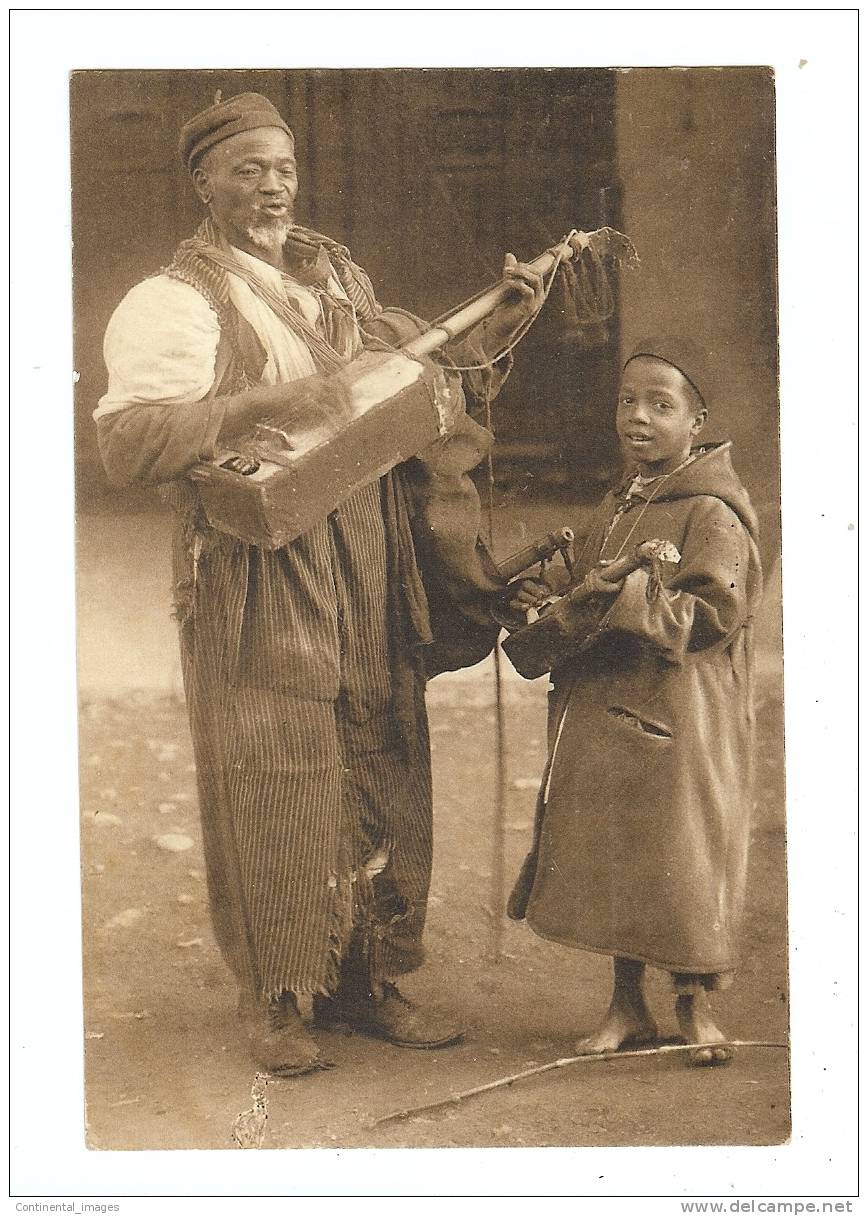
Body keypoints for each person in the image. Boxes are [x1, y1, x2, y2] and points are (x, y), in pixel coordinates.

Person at [94, 92, 544, 1074]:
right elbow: (128, 442)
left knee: (382, 750)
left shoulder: (334, 278)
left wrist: (497, 317)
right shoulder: (175, 301)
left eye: (282, 169)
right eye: (247, 169)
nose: (270, 188)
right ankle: (278, 997)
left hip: (369, 547)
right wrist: (270, 397)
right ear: (204, 182)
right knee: (275, 768)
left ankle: (369, 979)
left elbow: (410, 375)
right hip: (259, 569)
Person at [505, 337, 763, 1065]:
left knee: (684, 851)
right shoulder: (620, 503)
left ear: (697, 419)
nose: (638, 417)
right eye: (628, 400)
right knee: (615, 851)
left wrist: (617, 595)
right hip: (606, 709)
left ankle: (695, 1007)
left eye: (661, 404)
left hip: (685, 715)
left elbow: (715, 615)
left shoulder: (712, 511)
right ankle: (625, 1005)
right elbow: (585, 585)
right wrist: (550, 595)